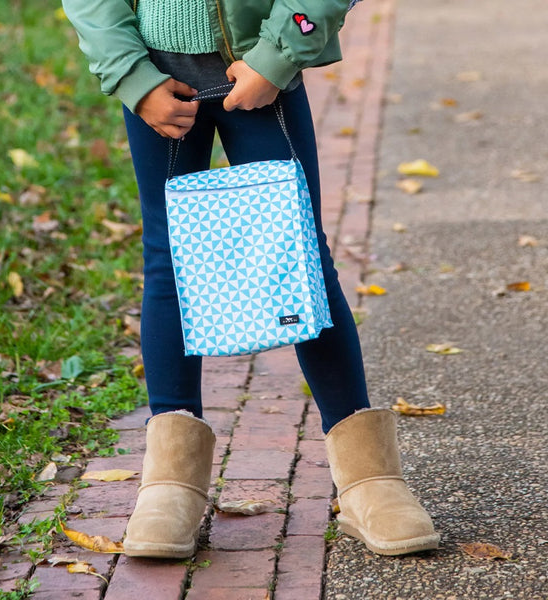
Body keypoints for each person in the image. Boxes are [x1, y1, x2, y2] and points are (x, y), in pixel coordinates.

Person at [62, 0, 439, 558]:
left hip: (262, 65)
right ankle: (171, 482)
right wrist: (132, 77)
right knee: (167, 259)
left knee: (301, 253)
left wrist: (278, 54)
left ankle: (369, 479)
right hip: (157, 78)